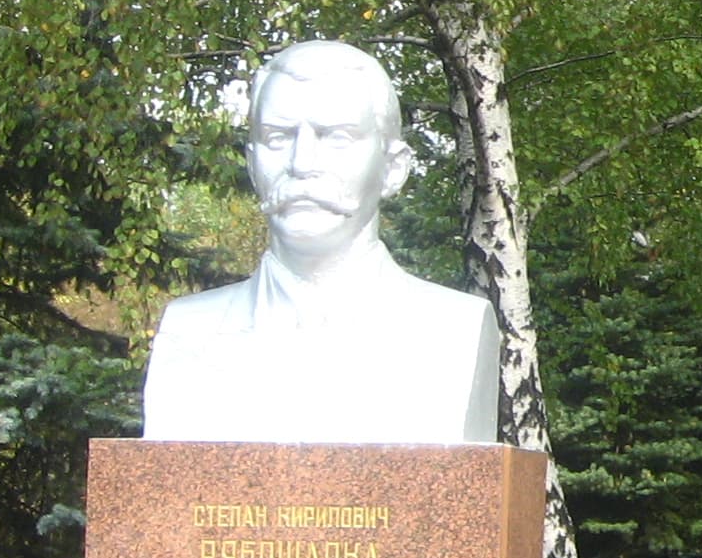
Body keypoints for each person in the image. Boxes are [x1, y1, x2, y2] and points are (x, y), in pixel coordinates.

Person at [140, 40, 501, 444]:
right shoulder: (188, 333)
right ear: (252, 162)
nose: (302, 163)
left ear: (393, 169)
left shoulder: (451, 331)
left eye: (338, 137)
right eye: (278, 137)